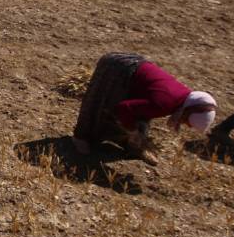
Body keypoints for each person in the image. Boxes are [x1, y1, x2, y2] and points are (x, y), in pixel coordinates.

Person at [72, 53, 216, 165]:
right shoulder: (165, 103)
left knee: (140, 116)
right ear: (186, 112)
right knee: (101, 103)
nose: (183, 124)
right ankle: (81, 137)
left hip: (132, 71)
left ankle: (132, 146)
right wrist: (132, 130)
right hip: (118, 68)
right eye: (186, 122)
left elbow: (143, 109)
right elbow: (124, 108)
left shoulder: (181, 98)